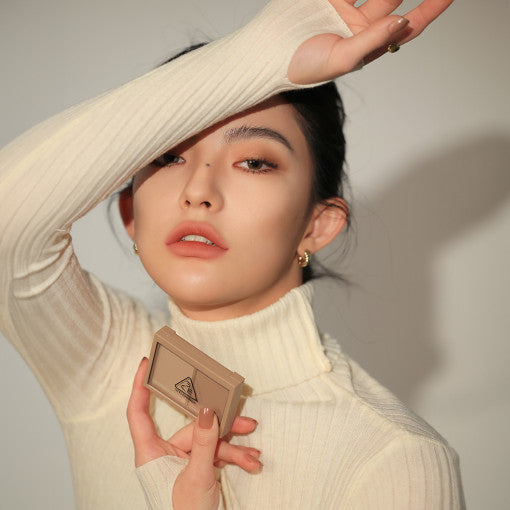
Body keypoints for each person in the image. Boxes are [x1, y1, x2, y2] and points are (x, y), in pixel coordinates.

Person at [0, 0, 463, 509]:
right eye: (168, 156)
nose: (198, 190)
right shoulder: (106, 363)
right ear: (132, 215)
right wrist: (259, 55)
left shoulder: (395, 458)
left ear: (316, 226)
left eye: (254, 163)